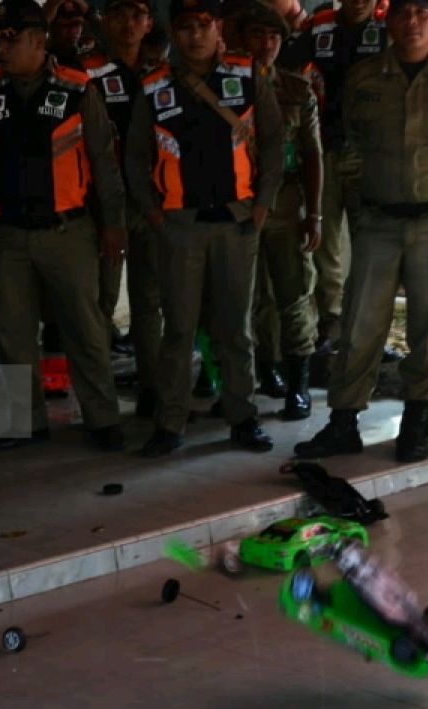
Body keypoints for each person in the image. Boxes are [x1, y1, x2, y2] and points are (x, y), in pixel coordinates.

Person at [294, 0, 428, 464]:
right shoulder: (364, 78)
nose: (412, 23)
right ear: (390, 21)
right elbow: (352, 139)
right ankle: (343, 421)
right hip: (379, 220)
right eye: (402, 13)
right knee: (361, 320)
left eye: (422, 13)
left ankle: (417, 420)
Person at [0, 0, 126, 451]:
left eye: (12, 39)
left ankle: (102, 419)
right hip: (3, 236)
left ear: (39, 42)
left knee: (85, 329)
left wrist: (114, 228)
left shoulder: (78, 91)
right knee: (14, 334)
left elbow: (104, 164)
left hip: (67, 233)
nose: (2, 48)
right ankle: (28, 421)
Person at [125, 0, 283, 457]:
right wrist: (153, 214)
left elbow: (273, 142)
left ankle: (243, 417)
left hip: (237, 222)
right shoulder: (154, 86)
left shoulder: (247, 74)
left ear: (219, 28)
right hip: (180, 225)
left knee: (236, 327)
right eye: (186, 27)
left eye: (204, 25)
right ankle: (170, 422)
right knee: (178, 329)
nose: (195, 35)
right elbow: (135, 157)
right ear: (174, 32)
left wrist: (262, 207)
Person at [279, 0, 385, 353]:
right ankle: (332, 324)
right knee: (323, 243)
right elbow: (286, 67)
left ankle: (368, 328)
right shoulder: (318, 26)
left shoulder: (389, 26)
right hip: (322, 149)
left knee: (370, 242)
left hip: (369, 152)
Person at [80, 0, 164, 418]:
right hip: (102, 203)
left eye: (136, 15)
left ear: (148, 23)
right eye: (118, 15)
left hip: (152, 200)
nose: (128, 24)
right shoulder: (86, 70)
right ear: (104, 21)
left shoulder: (162, 70)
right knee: (101, 302)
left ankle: (152, 388)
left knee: (150, 300)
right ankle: (99, 400)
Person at [241, 0, 322, 421]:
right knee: (249, 299)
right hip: (240, 204)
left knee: (293, 295)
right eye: (257, 35)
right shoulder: (226, 87)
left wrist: (316, 213)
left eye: (274, 36)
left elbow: (312, 155)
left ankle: (299, 383)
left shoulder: (295, 89)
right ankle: (264, 371)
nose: (266, 44)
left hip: (287, 204)